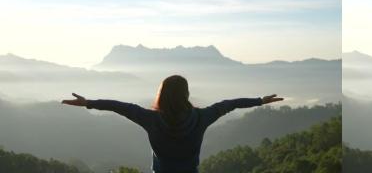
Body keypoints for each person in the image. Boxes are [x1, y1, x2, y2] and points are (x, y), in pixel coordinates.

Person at [62, 75, 283, 173]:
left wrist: (88, 103)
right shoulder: (202, 117)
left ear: (162, 94)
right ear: (186, 94)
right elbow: (230, 104)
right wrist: (260, 101)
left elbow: (119, 106)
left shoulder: (150, 119)